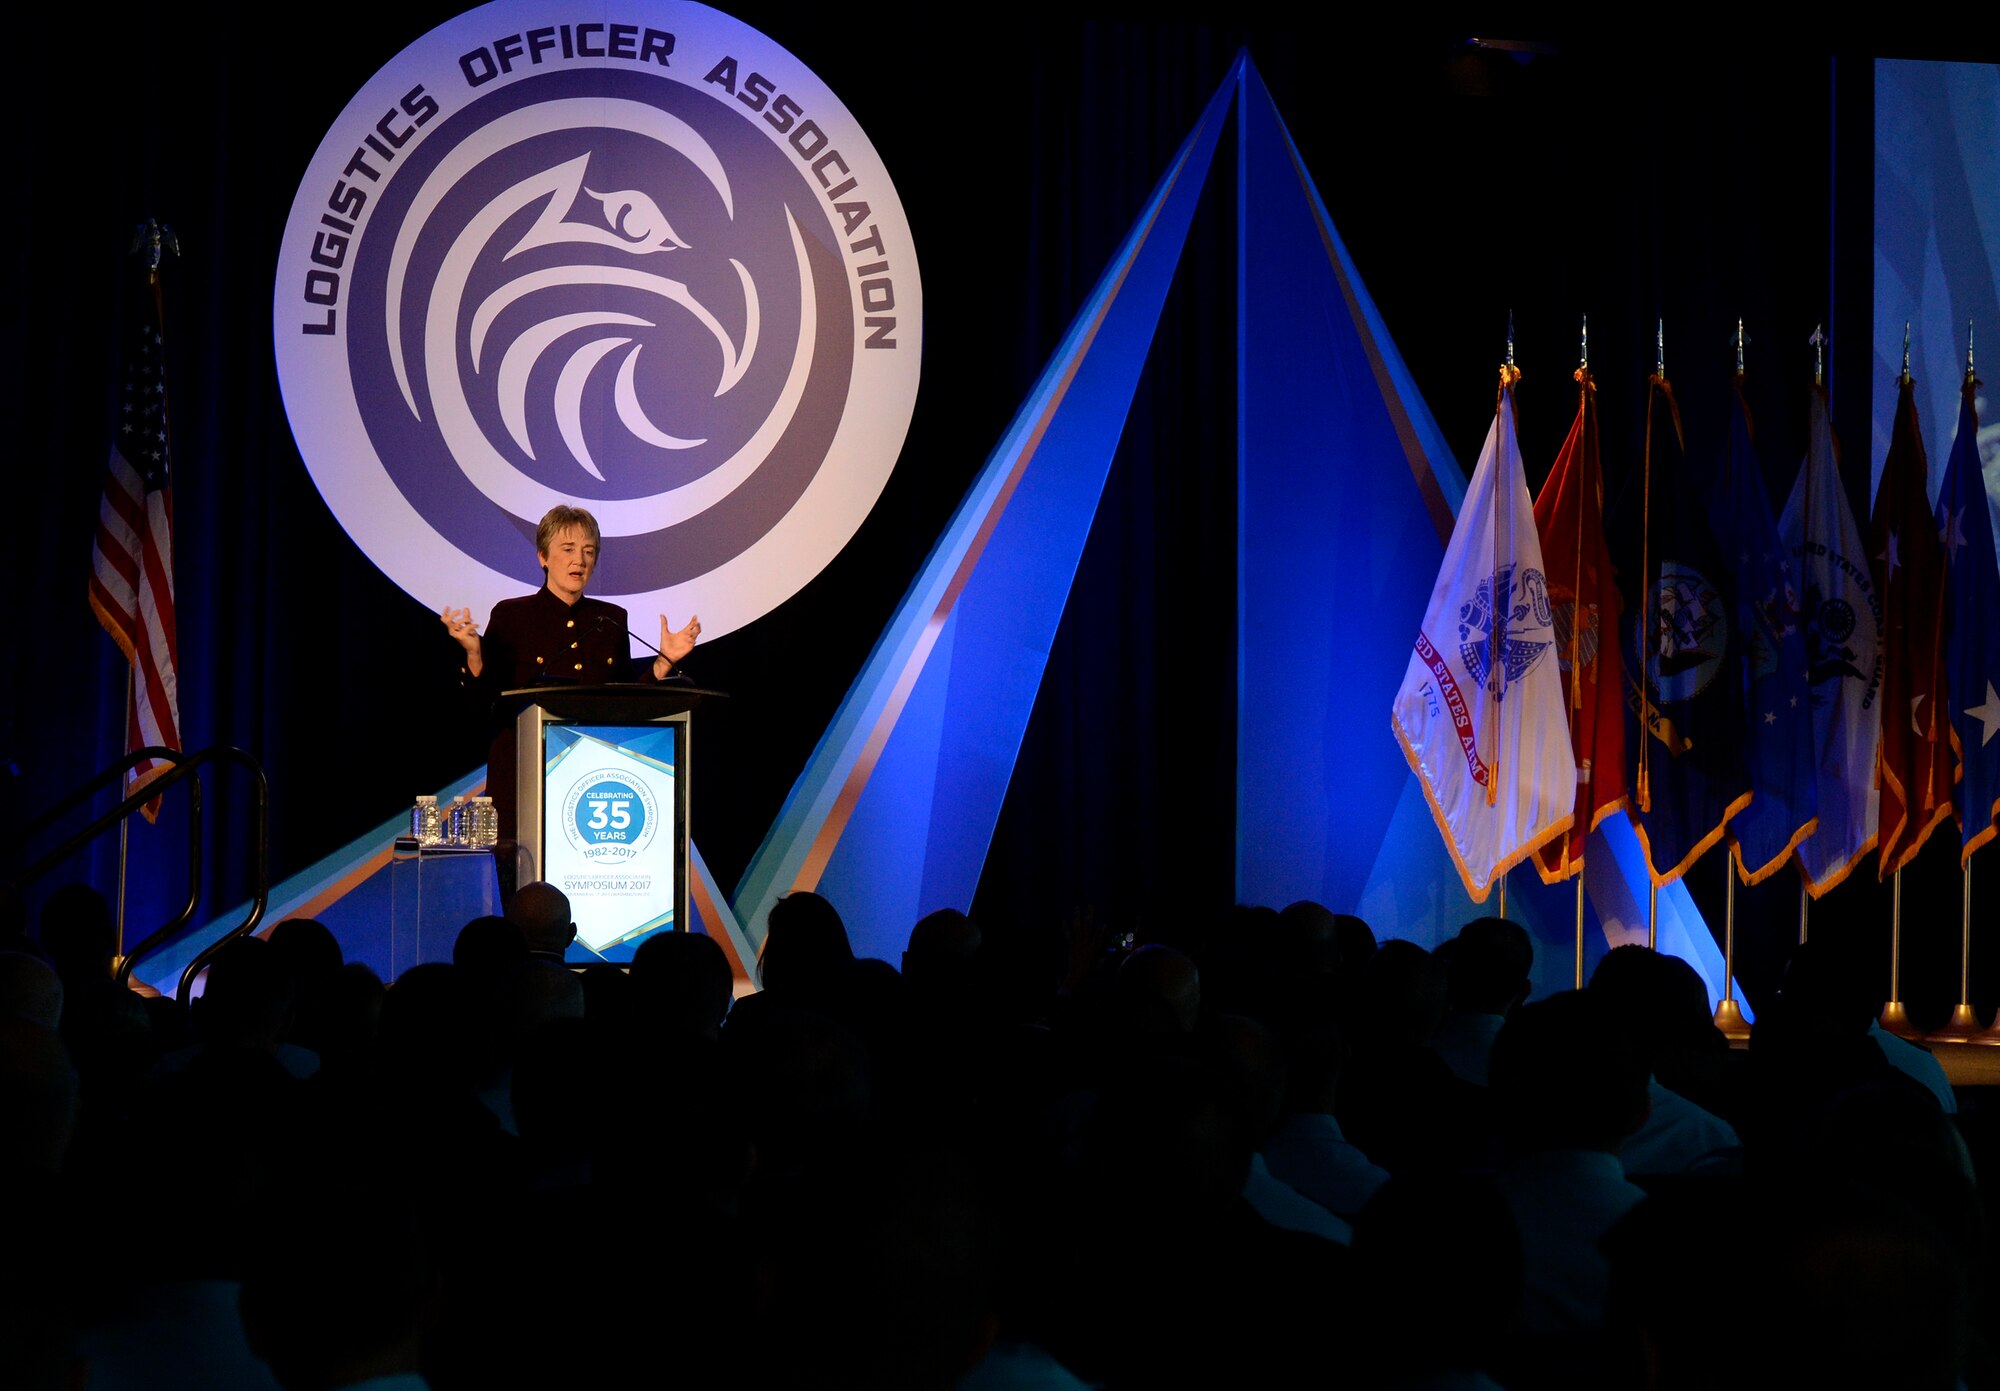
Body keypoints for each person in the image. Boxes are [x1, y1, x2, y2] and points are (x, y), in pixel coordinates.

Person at [440, 505, 701, 851]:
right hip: (524, 780)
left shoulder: (610, 619)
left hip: (593, 782)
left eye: (588, 551)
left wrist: (664, 662)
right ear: (543, 557)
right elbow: (482, 707)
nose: (579, 560)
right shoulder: (512, 615)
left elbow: (623, 703)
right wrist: (475, 654)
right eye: (568, 549)